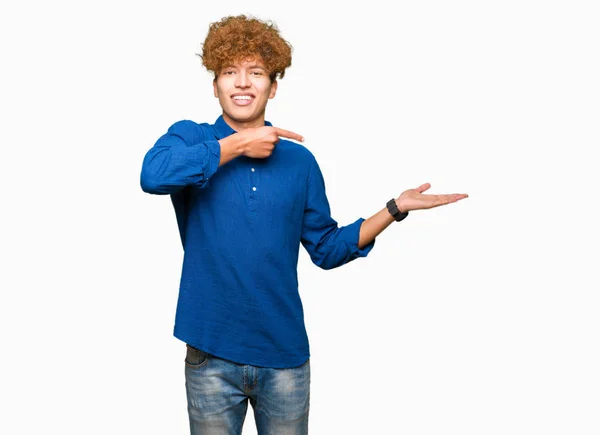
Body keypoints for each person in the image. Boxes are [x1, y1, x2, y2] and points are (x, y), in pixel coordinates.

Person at [140, 14, 468, 435]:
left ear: (272, 86)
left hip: (285, 358)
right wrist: (239, 144)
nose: (242, 83)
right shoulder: (190, 138)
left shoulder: (300, 162)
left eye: (255, 73)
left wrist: (394, 208)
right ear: (215, 84)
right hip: (210, 354)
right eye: (230, 72)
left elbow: (328, 249)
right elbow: (153, 175)